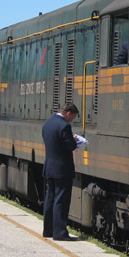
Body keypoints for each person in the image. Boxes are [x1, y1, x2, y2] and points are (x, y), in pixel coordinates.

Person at [41, 103, 80, 241]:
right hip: (62, 169)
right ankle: (60, 233)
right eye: (73, 117)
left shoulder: (48, 123)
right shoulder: (64, 126)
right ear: (68, 113)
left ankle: (48, 230)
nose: (72, 120)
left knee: (50, 198)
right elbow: (70, 146)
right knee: (61, 201)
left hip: (49, 167)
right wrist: (76, 142)